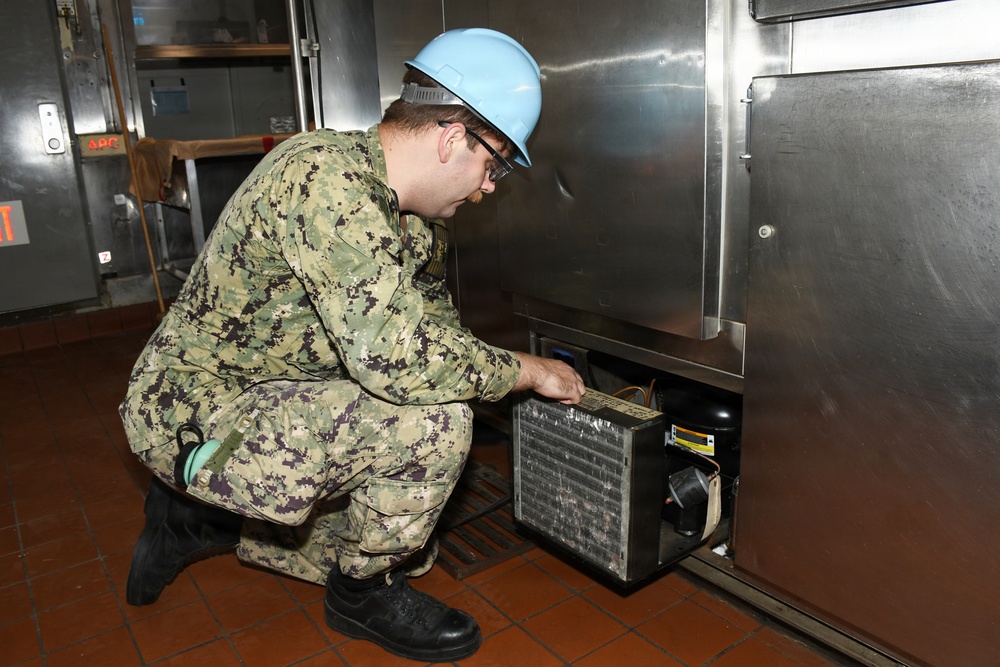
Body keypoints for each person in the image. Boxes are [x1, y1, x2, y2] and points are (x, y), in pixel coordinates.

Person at [120, 28, 585, 663]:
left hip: (283, 392)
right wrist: (525, 371)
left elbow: (436, 336)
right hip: (194, 404)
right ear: (452, 139)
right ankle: (360, 593)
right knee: (434, 427)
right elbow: (401, 359)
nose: (488, 187)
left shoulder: (414, 221)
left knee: (413, 530)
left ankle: (198, 517)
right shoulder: (323, 178)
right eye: (494, 164)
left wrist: (496, 383)